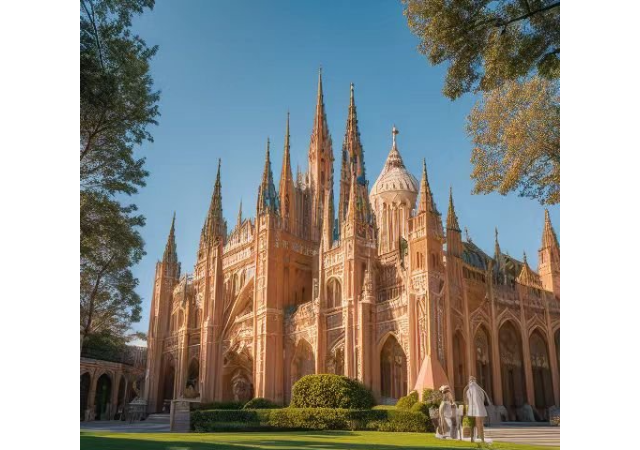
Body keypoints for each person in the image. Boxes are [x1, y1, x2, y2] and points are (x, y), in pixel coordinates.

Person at [463, 376, 492, 442]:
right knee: (478, 425)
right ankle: (479, 439)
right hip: (479, 409)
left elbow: (468, 400)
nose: (471, 382)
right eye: (471, 380)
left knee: (476, 425)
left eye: (472, 380)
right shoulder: (479, 390)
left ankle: (478, 439)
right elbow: (482, 399)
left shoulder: (472, 390)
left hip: (476, 409)